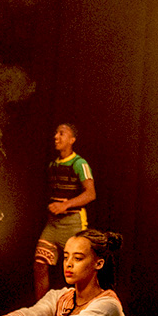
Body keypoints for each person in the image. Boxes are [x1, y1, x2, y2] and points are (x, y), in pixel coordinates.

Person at [34, 124, 96, 299]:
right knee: (40, 263)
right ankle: (41, 311)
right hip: (53, 224)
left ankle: (79, 308)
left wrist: (65, 205)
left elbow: (91, 194)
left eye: (61, 133)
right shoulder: (53, 164)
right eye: (55, 133)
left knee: (77, 269)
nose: (56, 137)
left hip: (73, 223)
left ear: (72, 139)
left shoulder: (79, 163)